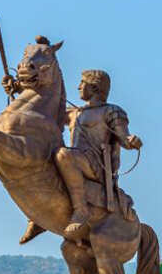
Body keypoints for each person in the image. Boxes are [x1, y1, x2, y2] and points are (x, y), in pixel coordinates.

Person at [50, 69, 142, 242]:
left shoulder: (112, 111)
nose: (78, 87)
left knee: (62, 154)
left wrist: (132, 140)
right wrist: (18, 89)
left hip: (96, 166)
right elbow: (42, 114)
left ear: (93, 87)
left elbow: (124, 138)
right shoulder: (73, 113)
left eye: (82, 83)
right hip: (76, 160)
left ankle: (81, 210)